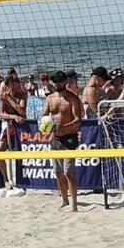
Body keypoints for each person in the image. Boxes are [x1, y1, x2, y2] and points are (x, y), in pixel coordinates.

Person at [43, 71, 83, 213]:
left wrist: (64, 126)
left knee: (68, 173)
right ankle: (65, 200)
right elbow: (44, 115)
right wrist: (45, 126)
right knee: (58, 173)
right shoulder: (50, 98)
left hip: (69, 137)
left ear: (66, 82)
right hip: (55, 138)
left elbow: (77, 119)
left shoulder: (72, 98)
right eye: (55, 82)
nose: (58, 84)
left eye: (60, 81)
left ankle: (74, 205)